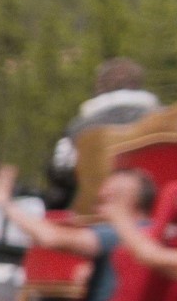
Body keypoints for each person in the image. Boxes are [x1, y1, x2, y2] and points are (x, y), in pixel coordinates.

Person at [0, 163, 158, 301]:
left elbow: (49, 237)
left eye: (103, 201)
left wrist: (4, 203)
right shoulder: (154, 234)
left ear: (120, 201)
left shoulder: (116, 234)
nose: (97, 208)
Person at [45, 57, 161, 210]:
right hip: (156, 212)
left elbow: (60, 171)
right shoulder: (165, 120)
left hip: (93, 213)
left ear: (101, 87)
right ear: (137, 84)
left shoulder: (79, 128)